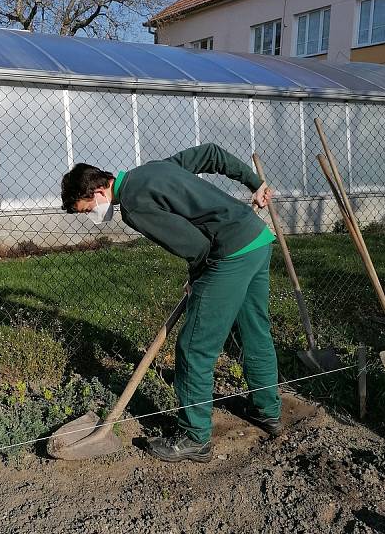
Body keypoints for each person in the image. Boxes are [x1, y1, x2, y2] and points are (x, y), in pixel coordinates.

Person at [60, 143, 282, 463]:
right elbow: (211, 153)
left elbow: (196, 247)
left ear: (97, 190)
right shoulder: (155, 168)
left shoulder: (134, 206)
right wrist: (254, 182)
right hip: (257, 240)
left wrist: (198, 278)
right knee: (254, 331)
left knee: (194, 348)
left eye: (86, 209)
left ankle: (194, 437)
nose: (91, 216)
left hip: (230, 254)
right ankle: (267, 411)